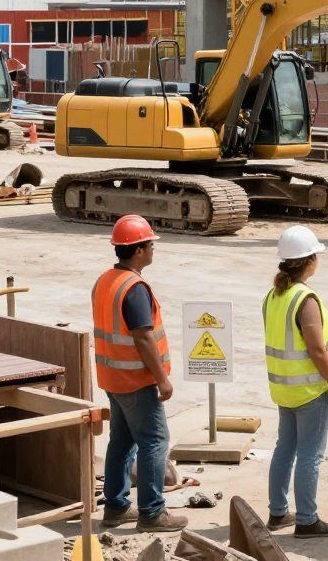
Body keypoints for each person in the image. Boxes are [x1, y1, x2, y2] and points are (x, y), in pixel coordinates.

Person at [92, 215, 187, 534]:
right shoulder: (134, 288)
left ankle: (116, 507)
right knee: (154, 441)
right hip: (136, 381)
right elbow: (143, 337)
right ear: (138, 250)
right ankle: (151, 512)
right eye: (150, 245)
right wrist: (162, 378)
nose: (153, 250)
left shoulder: (105, 280)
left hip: (111, 377)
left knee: (122, 440)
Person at [263, 225, 328, 539]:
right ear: (309, 261)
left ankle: (278, 512)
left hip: (284, 388)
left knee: (285, 447)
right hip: (309, 390)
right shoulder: (305, 299)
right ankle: (307, 520)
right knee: (310, 454)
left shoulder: (274, 295)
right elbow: (316, 349)